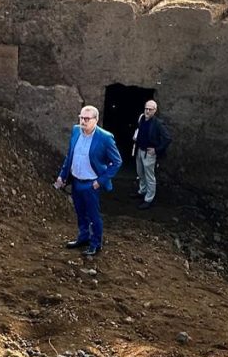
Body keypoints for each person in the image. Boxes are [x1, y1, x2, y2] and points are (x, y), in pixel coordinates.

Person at [53, 105, 122, 257]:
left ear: (95, 120)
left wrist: (100, 181)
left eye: (87, 119)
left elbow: (117, 162)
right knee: (80, 212)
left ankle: (96, 243)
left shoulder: (105, 138)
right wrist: (63, 175)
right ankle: (83, 237)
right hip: (76, 180)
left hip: (91, 184)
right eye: (81, 118)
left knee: (93, 215)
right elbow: (69, 156)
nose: (83, 121)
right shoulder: (76, 131)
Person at [133, 99, 171, 209]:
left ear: (155, 110)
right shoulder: (142, 119)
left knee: (149, 176)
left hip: (149, 154)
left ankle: (148, 199)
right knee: (140, 173)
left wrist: (156, 149)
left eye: (150, 109)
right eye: (146, 108)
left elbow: (167, 138)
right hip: (140, 150)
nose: (147, 111)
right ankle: (142, 191)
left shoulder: (158, 123)